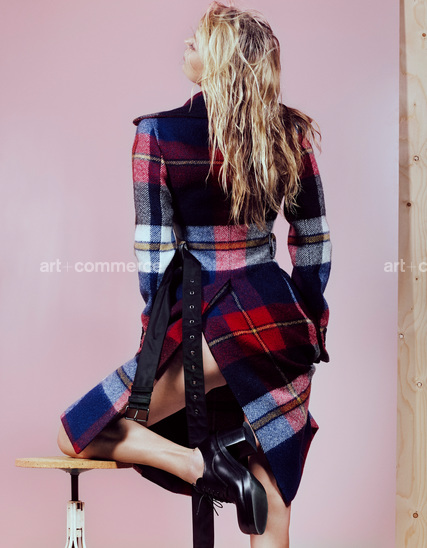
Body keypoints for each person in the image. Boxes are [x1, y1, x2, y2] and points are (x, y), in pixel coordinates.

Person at [57, 2, 331, 547]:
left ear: (222, 57)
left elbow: (154, 256)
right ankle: (214, 460)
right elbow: (313, 240)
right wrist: (309, 320)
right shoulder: (291, 131)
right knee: (271, 493)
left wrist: (156, 341)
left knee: (76, 432)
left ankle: (196, 463)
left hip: (205, 316)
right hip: (278, 317)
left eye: (198, 38)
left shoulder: (158, 133)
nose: (186, 43)